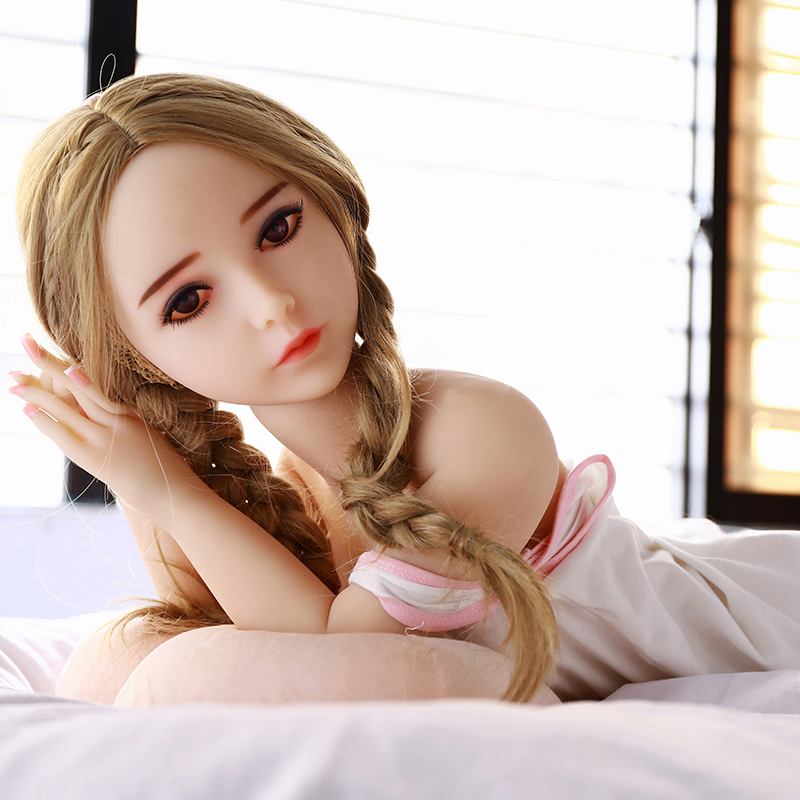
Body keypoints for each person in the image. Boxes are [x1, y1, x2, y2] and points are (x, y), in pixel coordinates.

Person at [10, 73, 800, 706]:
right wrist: (148, 472)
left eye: (278, 228)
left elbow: (336, 657)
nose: (270, 303)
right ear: (139, 360)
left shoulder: (480, 430)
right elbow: (233, 640)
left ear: (334, 204)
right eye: (189, 301)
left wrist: (163, 488)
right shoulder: (289, 492)